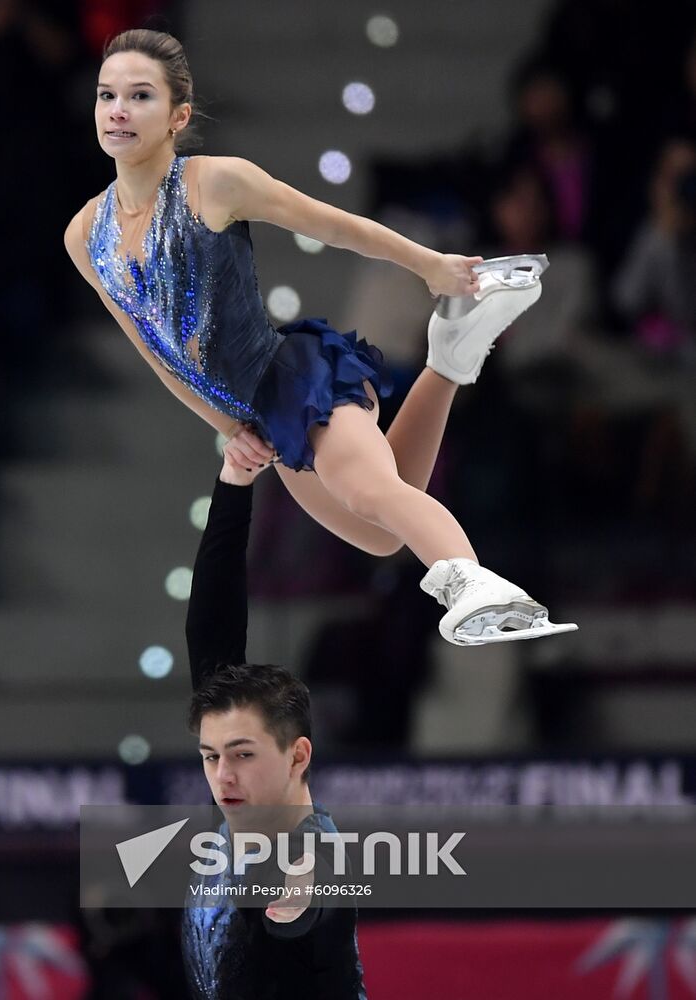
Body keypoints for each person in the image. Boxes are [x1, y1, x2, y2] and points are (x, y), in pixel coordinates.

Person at [64, 28, 576, 645]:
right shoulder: (85, 235)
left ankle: (472, 583)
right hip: (258, 414)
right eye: (106, 95)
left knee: (371, 490)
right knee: (382, 532)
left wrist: (431, 266)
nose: (118, 110)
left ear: (178, 116)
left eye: (139, 95)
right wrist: (229, 427)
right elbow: (153, 348)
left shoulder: (215, 182)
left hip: (295, 381)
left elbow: (333, 225)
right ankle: (450, 357)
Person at [183, 456, 365, 1000]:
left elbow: (304, 901)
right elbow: (211, 627)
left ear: (297, 755)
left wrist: (295, 901)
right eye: (210, 756)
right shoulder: (246, 807)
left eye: (240, 755)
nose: (221, 776)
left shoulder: (309, 858)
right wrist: (234, 481)